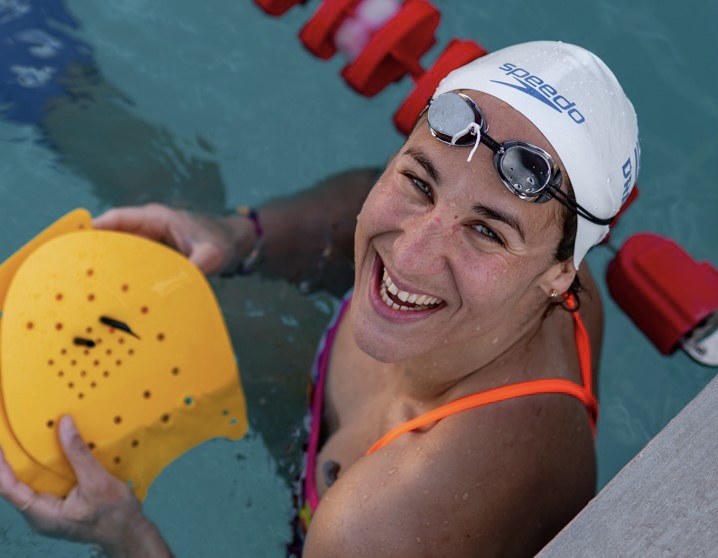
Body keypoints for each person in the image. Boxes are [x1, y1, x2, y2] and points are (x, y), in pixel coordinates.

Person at [0, 40, 639, 557]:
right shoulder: (554, 286)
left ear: (560, 276)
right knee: (176, 237)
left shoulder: (381, 526)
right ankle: (48, 72)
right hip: (330, 403)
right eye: (419, 183)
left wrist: (124, 536)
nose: (410, 256)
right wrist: (242, 234)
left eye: (486, 232)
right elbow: (369, 192)